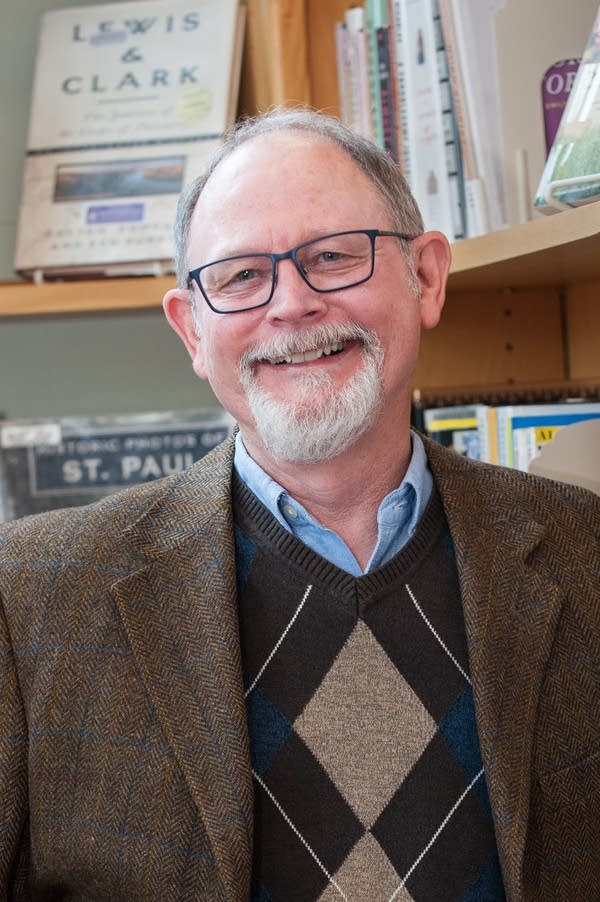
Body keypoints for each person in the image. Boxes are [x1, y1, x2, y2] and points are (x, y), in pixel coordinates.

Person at [0, 108, 598, 902]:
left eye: (333, 257)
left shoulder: (586, 550)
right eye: (242, 275)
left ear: (426, 277)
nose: (292, 304)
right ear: (191, 330)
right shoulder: (32, 596)